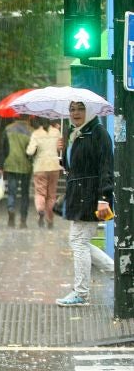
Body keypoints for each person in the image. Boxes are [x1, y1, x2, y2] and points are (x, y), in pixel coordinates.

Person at [55, 101, 114, 307]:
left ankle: (81, 293)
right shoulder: (74, 134)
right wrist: (62, 152)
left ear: (89, 110)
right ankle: (119, 274)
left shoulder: (98, 133)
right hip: (77, 196)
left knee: (79, 242)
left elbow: (106, 167)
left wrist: (104, 198)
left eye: (80, 108)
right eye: (72, 109)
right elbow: (72, 169)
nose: (75, 113)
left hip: (91, 196)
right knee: (79, 241)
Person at [0, 115, 34, 228]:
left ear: (15, 116)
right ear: (28, 118)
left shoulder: (8, 129)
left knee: (11, 192)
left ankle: (11, 209)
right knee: (25, 194)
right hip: (25, 166)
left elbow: (2, 148)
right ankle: (23, 220)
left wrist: (0, 166)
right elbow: (33, 151)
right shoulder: (31, 131)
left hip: (10, 164)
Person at [25, 118, 61, 229]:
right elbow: (59, 148)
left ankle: (41, 210)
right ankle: (50, 220)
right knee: (51, 196)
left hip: (40, 167)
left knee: (40, 193)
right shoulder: (56, 132)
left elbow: (30, 151)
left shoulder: (36, 133)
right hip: (54, 166)